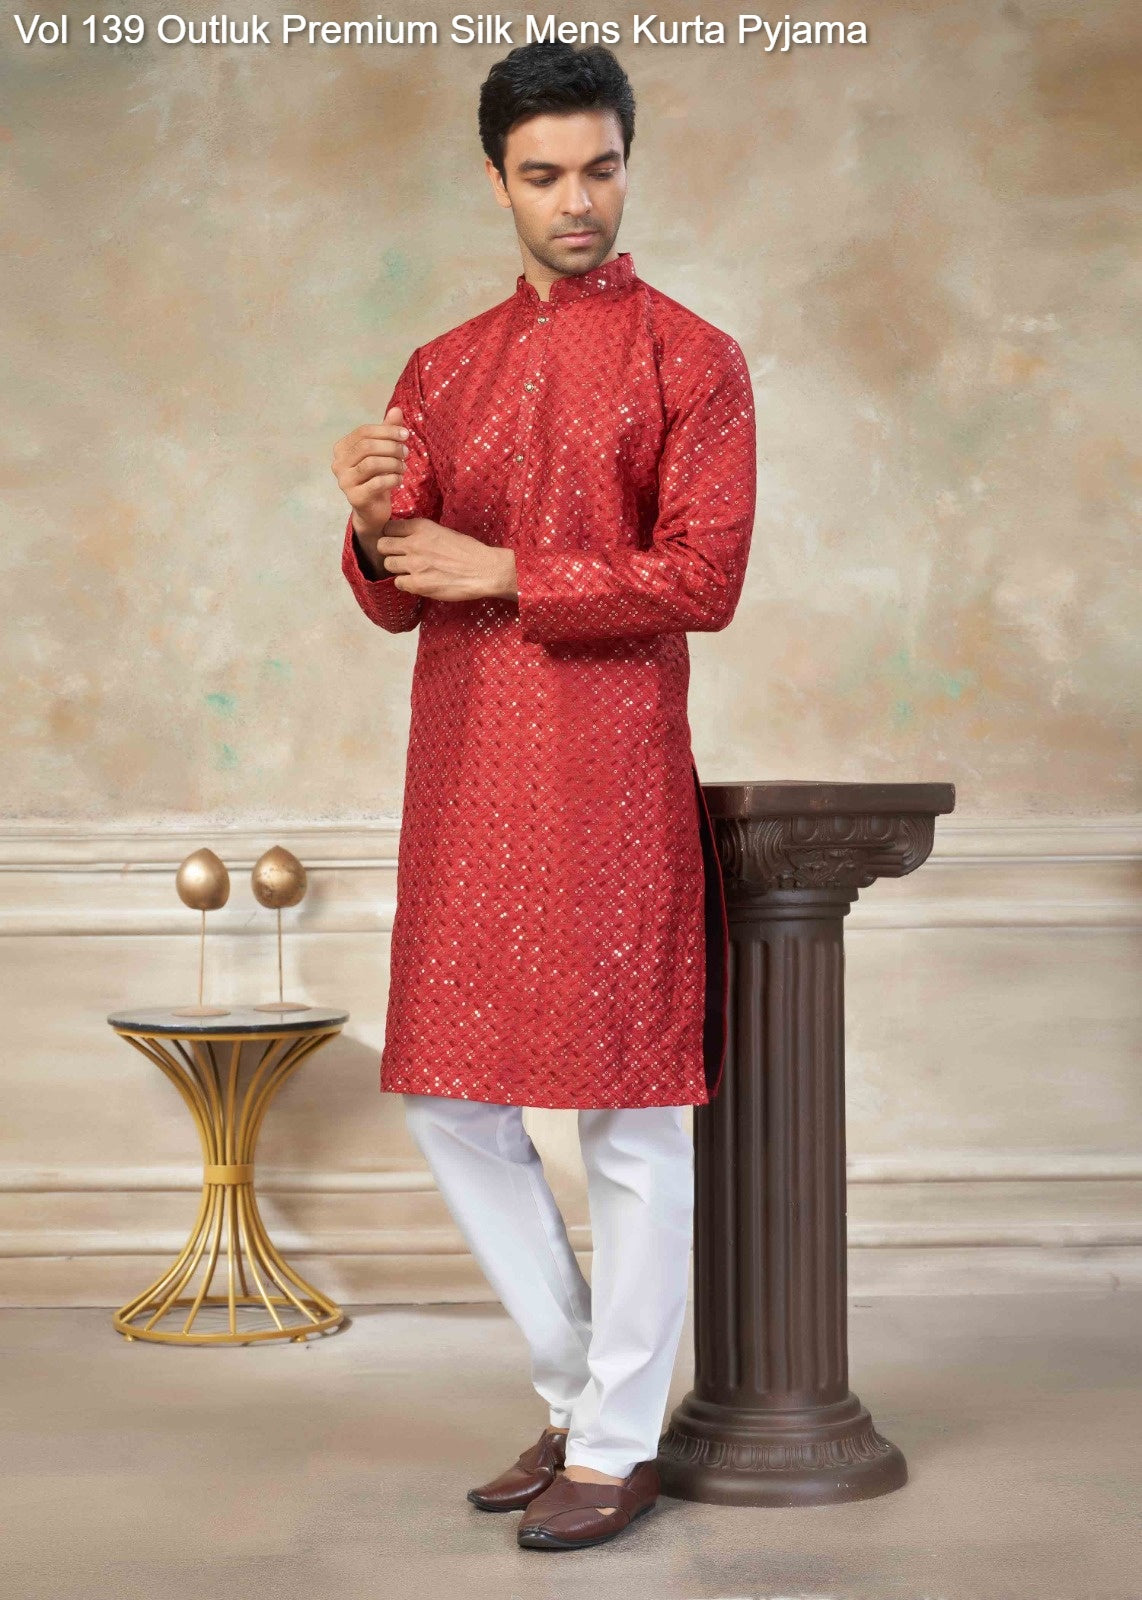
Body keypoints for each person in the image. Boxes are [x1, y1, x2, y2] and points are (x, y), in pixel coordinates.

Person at [332, 41, 756, 1551]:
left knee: (630, 1113)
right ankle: (582, 1396)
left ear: (626, 166)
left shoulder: (692, 359)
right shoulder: (440, 367)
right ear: (495, 181)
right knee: (450, 1091)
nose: (577, 201)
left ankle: (619, 1443)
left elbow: (702, 580)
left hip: (611, 766)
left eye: (600, 169)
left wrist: (510, 569)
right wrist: (371, 522)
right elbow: (401, 596)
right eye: (544, 174)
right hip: (466, 766)